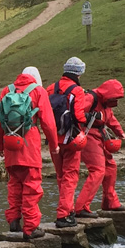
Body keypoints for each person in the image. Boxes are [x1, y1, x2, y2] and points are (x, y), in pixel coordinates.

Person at [0, 66, 59, 240]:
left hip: (10, 144)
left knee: (14, 184)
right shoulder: (38, 91)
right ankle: (30, 227)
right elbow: (48, 123)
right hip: (29, 145)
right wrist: (54, 145)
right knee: (32, 187)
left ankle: (14, 222)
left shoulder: (6, 90)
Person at [47, 57, 89, 227]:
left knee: (61, 176)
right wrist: (91, 117)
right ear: (79, 73)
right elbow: (79, 116)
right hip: (71, 139)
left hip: (53, 140)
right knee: (70, 176)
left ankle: (68, 209)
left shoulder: (50, 88)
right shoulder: (77, 91)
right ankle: (64, 215)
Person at [75, 79, 125, 218]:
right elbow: (76, 113)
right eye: (114, 98)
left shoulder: (105, 101)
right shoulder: (91, 97)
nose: (115, 101)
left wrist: (119, 132)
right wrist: (89, 116)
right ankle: (81, 207)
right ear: (108, 94)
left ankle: (110, 202)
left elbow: (110, 118)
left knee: (111, 167)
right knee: (97, 170)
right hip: (88, 135)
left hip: (100, 135)